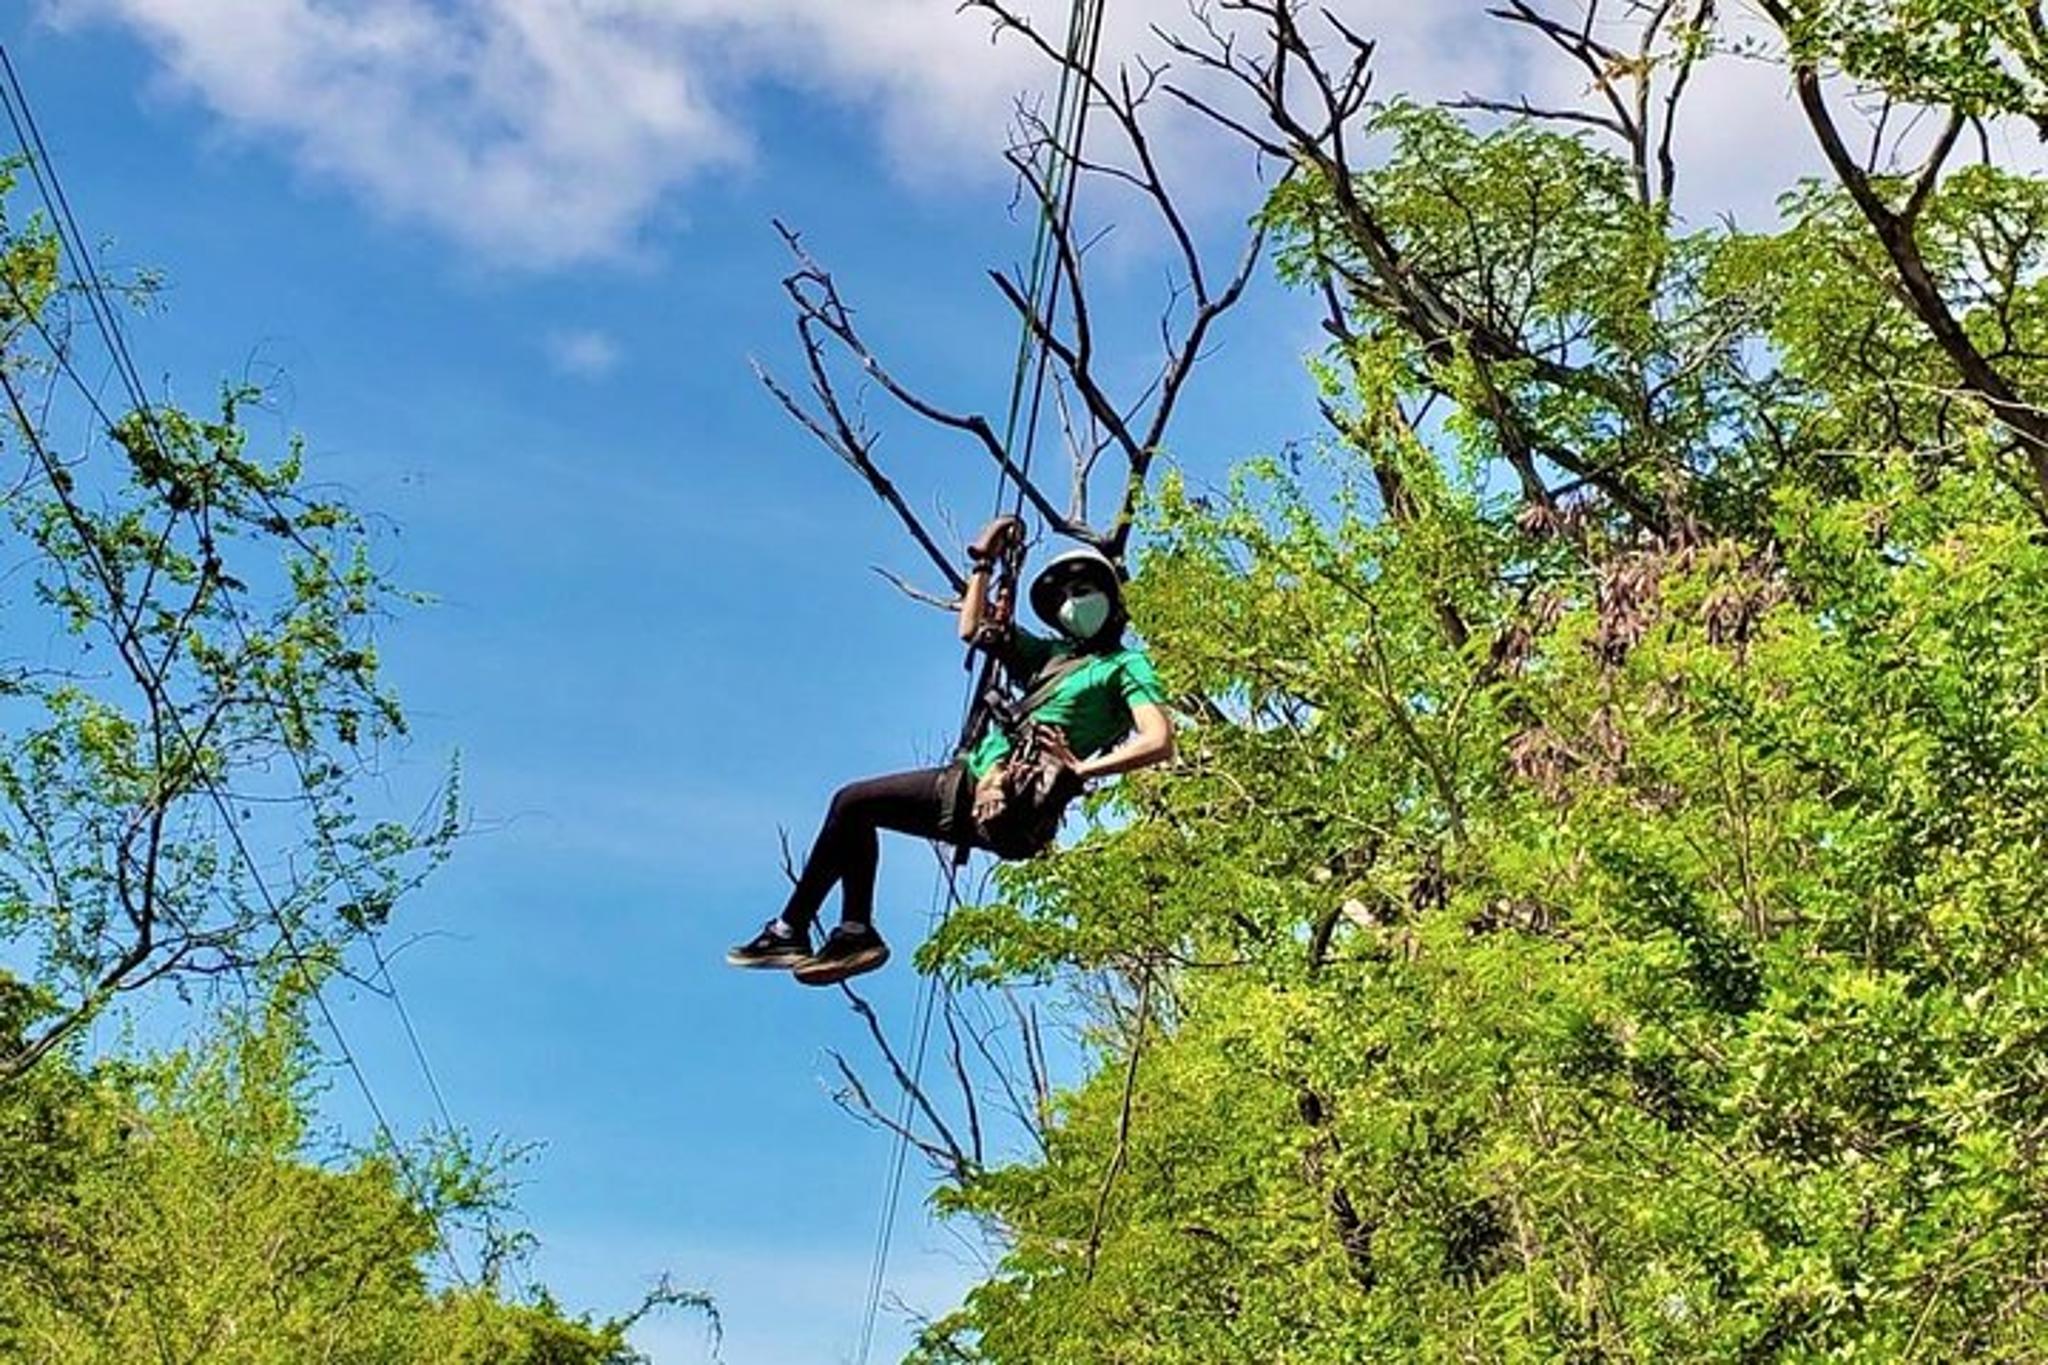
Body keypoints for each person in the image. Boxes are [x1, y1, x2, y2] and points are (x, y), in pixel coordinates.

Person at [727, 516, 1176, 986]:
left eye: (1081, 591)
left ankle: (796, 929)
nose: (1071, 604)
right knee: (854, 808)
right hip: (973, 780)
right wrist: (984, 563)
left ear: (1109, 596)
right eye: (1061, 599)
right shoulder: (1051, 660)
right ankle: (847, 932)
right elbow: (974, 629)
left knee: (852, 801)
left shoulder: (1126, 664)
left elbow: (1158, 738)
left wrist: (1081, 769)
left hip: (1019, 799)